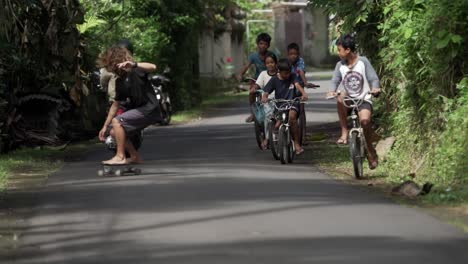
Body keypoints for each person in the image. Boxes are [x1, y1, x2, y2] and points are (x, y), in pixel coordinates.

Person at [326, 33, 381, 169]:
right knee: (340, 96)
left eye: (339, 50)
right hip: (349, 101)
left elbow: (373, 78)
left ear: (348, 50)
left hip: (363, 99)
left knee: (365, 122)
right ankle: (344, 132)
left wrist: (375, 88)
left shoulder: (363, 61)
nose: (338, 53)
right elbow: (335, 80)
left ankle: (370, 150)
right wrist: (332, 90)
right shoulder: (340, 65)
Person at [97, 46, 159, 165]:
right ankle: (135, 156)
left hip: (149, 109)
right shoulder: (119, 81)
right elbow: (115, 105)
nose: (112, 69)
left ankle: (120, 156)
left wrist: (134, 64)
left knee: (117, 121)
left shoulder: (136, 71)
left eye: (112, 64)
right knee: (114, 132)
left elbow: (153, 67)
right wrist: (105, 126)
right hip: (141, 111)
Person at [262, 58, 308, 155]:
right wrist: (265, 97)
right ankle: (276, 135)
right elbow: (266, 91)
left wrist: (303, 93)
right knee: (276, 122)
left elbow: (297, 85)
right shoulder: (274, 79)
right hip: (280, 105)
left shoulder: (293, 76)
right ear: (279, 71)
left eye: (288, 72)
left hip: (292, 103)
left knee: (292, 117)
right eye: (285, 73)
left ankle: (296, 143)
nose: (287, 75)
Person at [238, 33, 272, 123]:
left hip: (269, 79)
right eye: (261, 43)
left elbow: (277, 66)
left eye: (265, 44)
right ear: (257, 44)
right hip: (257, 80)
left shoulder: (271, 55)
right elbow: (246, 66)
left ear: (268, 45)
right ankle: (253, 113)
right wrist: (241, 75)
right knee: (251, 92)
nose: (263, 46)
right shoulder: (253, 56)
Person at [252, 52, 278, 149]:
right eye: (267, 63)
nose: (270, 65)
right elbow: (257, 84)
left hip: (279, 99)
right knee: (268, 117)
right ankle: (267, 138)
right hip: (267, 100)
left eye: (272, 62)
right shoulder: (263, 74)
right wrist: (254, 88)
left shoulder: (280, 73)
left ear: (276, 63)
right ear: (265, 64)